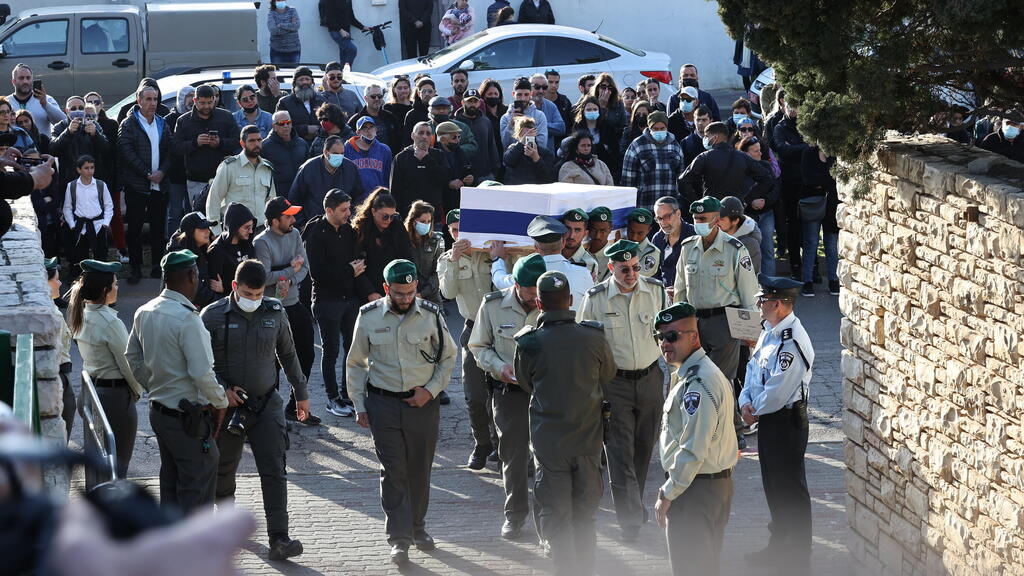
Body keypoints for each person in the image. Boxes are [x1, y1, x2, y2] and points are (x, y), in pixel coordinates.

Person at [347, 259, 456, 565]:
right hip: (383, 404)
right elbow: (355, 363)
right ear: (386, 289)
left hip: (422, 404)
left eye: (410, 292)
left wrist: (430, 391)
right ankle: (399, 539)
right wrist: (358, 404)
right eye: (399, 293)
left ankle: (418, 527)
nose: (406, 299)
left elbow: (448, 357)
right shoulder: (367, 317)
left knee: (419, 470)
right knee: (394, 471)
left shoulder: (431, 315)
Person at [201, 258, 309, 561]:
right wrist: (222, 388)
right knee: (223, 471)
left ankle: (280, 537)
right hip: (228, 407)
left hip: (266, 404)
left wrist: (300, 393)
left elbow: (288, 352)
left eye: (259, 294)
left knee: (274, 469)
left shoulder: (275, 311)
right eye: (248, 294)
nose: (253, 300)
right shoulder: (211, 316)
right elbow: (199, 362)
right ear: (235, 287)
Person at [514, 270, 615, 574]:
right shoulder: (594, 337)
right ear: (571, 301)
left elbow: (525, 382)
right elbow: (608, 374)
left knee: (556, 515)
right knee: (585, 515)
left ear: (540, 304)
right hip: (588, 439)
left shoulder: (530, 342)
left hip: (550, 442)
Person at [125, 250, 229, 513]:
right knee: (197, 485)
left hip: (161, 410)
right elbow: (202, 374)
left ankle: (170, 544)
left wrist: (157, 385)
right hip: (188, 416)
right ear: (192, 276)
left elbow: (132, 357)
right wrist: (221, 401)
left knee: (171, 482)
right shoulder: (187, 319)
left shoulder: (144, 311)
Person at [577, 240, 666, 541]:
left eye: (636, 268)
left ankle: (633, 503)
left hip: (651, 379)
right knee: (618, 452)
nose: (631, 274)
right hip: (614, 384)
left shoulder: (655, 291)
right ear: (611, 268)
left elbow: (667, 333)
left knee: (643, 448)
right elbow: (586, 345)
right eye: (625, 269)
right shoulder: (596, 298)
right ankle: (629, 519)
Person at [654, 302, 738, 576]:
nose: (665, 343)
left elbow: (693, 448)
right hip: (707, 487)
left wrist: (668, 492)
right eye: (660, 337)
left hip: (695, 491)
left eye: (672, 336)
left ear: (694, 337)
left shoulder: (698, 383)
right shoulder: (695, 373)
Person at [739, 275, 815, 576]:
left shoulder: (792, 341)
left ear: (779, 305)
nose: (758, 304)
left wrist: (753, 411)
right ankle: (779, 544)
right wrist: (745, 400)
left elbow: (779, 389)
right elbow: (753, 369)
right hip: (769, 419)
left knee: (789, 489)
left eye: (763, 300)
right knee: (774, 486)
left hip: (785, 421)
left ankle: (796, 554)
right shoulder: (770, 331)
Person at [467, 254, 543, 538]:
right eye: (529, 292)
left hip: (545, 392)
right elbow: (478, 346)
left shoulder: (552, 301)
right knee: (512, 455)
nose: (535, 298)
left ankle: (546, 519)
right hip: (508, 392)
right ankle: (515, 516)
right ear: (516, 285)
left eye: (539, 292)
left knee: (546, 456)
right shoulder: (493, 305)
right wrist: (499, 367)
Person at [67, 259, 142, 490]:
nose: (118, 288)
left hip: (92, 394)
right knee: (117, 468)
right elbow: (127, 363)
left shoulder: (80, 313)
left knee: (98, 466)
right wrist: (137, 391)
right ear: (104, 290)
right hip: (114, 398)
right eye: (115, 284)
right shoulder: (109, 321)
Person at [672, 196, 758, 381]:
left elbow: (748, 292)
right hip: (694, 323)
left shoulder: (734, 249)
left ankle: (726, 411)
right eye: (695, 218)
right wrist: (678, 324)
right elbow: (680, 290)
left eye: (702, 219)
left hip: (724, 322)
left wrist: (750, 332)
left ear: (716, 219)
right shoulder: (688, 248)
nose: (698, 223)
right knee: (694, 378)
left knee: (721, 381)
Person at [304, 189, 372, 417]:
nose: (348, 214)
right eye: (343, 210)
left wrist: (355, 267)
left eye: (349, 209)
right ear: (328, 210)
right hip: (327, 301)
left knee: (351, 351)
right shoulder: (315, 234)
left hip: (349, 299)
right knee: (331, 351)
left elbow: (356, 260)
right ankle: (332, 398)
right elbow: (319, 274)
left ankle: (347, 394)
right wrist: (349, 270)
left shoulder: (349, 231)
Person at [438, 209, 496, 468]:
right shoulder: (447, 259)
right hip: (473, 328)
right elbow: (448, 293)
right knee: (474, 394)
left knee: (502, 393)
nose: (459, 235)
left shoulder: (491, 253)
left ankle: (503, 444)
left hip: (501, 329)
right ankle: (482, 443)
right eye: (453, 230)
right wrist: (454, 259)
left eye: (462, 229)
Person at [253, 197, 318, 426]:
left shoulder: (295, 235)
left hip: (292, 303)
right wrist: (291, 269)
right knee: (274, 362)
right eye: (288, 216)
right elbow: (264, 276)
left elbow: (305, 268)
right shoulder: (261, 242)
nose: (293, 219)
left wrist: (289, 277)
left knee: (307, 353)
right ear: (274, 220)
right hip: (270, 308)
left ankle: (295, 406)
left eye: (293, 215)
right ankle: (273, 413)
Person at [118, 85, 171, 284]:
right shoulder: (129, 123)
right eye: (148, 99)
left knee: (158, 227)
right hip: (137, 185)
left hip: (159, 185)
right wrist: (148, 173)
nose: (152, 103)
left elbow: (169, 151)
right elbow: (126, 151)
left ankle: (158, 265)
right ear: (139, 101)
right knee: (135, 228)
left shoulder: (161, 123)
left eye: (155, 99)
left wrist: (162, 172)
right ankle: (135, 267)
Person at [489, 215, 593, 307]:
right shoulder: (583, 272)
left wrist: (497, 259)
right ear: (563, 243)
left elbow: (499, 280)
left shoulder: (528, 272)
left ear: (536, 247)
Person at [173, 85, 242, 208]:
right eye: (202, 103)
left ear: (214, 99)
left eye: (210, 102)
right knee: (199, 217)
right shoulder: (183, 121)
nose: (206, 106)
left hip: (223, 178)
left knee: (223, 217)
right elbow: (176, 147)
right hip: (196, 180)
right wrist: (195, 143)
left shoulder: (226, 117)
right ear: (195, 101)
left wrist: (220, 143)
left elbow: (237, 142)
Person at [677, 121, 773, 206]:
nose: (705, 139)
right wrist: (747, 199)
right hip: (735, 209)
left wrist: (697, 202)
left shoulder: (705, 157)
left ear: (715, 138)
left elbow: (682, 181)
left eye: (707, 136)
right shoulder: (743, 157)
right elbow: (767, 178)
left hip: (712, 209)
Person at [204, 125, 276, 234]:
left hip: (261, 230)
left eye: (259, 140)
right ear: (242, 143)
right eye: (251, 141)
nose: (256, 144)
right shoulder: (229, 166)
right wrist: (216, 231)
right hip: (235, 230)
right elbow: (214, 199)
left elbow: (271, 201)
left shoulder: (266, 168)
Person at [352, 188, 415, 298]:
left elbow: (406, 259)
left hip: (394, 288)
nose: (388, 220)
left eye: (392, 216)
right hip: (367, 287)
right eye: (385, 216)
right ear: (373, 211)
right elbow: (357, 266)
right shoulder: (361, 229)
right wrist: (369, 292)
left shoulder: (397, 228)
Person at [289, 135, 364, 226]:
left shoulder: (350, 168)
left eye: (342, 153)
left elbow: (359, 196)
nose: (339, 157)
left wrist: (352, 220)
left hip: (344, 226)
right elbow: (295, 198)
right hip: (315, 226)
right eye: (335, 153)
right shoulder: (308, 168)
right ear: (325, 152)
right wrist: (302, 225)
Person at [621, 111, 685, 212]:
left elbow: (680, 176)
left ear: (667, 128)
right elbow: (628, 179)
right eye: (655, 129)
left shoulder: (675, 146)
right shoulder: (637, 145)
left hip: (669, 208)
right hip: (645, 206)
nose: (659, 131)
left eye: (662, 128)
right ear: (650, 128)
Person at [799, 143, 840, 297]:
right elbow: (808, 178)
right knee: (810, 243)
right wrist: (828, 179)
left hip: (832, 205)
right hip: (813, 204)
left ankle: (833, 280)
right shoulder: (808, 153)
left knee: (831, 244)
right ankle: (807, 281)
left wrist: (820, 182)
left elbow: (838, 178)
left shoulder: (835, 154)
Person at [773, 101, 808, 280]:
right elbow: (782, 149)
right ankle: (796, 266)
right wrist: (805, 147)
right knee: (793, 226)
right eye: (789, 105)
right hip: (789, 184)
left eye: (796, 105)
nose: (793, 109)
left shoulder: (807, 124)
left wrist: (795, 148)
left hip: (807, 181)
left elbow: (812, 148)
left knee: (809, 227)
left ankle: (812, 267)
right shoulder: (780, 127)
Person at [738, 135, 779, 275]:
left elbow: (775, 189)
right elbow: (737, 191)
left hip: (766, 213)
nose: (760, 154)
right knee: (747, 251)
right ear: (745, 153)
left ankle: (770, 286)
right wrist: (750, 202)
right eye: (755, 151)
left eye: (760, 150)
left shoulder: (766, 166)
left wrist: (765, 201)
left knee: (767, 250)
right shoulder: (739, 170)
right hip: (747, 215)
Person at [63, 155, 113, 266]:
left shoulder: (101, 185)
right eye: (86, 168)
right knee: (79, 257)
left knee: (101, 256)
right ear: (78, 170)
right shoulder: (71, 186)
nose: (90, 171)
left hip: (98, 225)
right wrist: (72, 224)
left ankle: (101, 280)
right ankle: (80, 280)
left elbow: (109, 205)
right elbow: (67, 208)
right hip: (80, 226)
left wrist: (105, 223)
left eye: (92, 167)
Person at [51, 96, 110, 190]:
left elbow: (106, 149)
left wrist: (95, 134)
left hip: (92, 180)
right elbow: (53, 150)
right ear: (67, 110)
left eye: (81, 108)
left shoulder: (93, 125)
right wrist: (68, 132)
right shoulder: (60, 127)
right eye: (73, 108)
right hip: (69, 181)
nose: (77, 111)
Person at [390, 121, 450, 213]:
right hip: (408, 215)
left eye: (428, 133)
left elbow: (445, 180)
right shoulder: (401, 158)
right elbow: (394, 190)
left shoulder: (439, 155)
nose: (424, 136)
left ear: (432, 137)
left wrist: (427, 159)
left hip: (433, 215)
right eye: (421, 133)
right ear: (413, 135)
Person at [45, 258, 75, 441]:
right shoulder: (50, 313)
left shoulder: (50, 308)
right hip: (58, 375)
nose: (60, 283)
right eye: (56, 279)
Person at [166, 212, 220, 308]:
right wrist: (223, 299)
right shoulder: (180, 258)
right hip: (181, 313)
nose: (208, 231)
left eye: (208, 228)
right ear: (190, 232)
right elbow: (198, 293)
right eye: (203, 228)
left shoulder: (201, 248)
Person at [207, 203, 257, 299]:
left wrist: (225, 288)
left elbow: (254, 275)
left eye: (251, 227)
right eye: (247, 227)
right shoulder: (217, 250)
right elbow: (214, 289)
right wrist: (226, 290)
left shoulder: (247, 243)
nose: (251, 231)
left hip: (250, 298)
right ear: (234, 226)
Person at [164, 87, 196, 242]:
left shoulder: (197, 118)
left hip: (195, 174)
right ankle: (172, 246)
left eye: (193, 96)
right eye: (188, 96)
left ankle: (189, 245)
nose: (191, 99)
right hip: (176, 174)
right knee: (174, 214)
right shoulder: (169, 119)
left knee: (192, 214)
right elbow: (169, 147)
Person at [652, 196, 696, 294]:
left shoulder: (695, 235)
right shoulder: (657, 239)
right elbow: (653, 273)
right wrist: (662, 292)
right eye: (659, 218)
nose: (663, 222)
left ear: (678, 213)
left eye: (667, 216)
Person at [454, 89, 501, 181]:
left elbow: (492, 147)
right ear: (463, 102)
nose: (472, 104)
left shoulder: (486, 121)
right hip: (463, 177)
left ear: (479, 103)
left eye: (475, 101)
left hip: (485, 175)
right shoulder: (455, 123)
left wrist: (495, 171)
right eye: (469, 101)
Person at [7, 64, 64, 137]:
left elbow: (63, 123)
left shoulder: (47, 99)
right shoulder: (6, 103)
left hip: (42, 146)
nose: (25, 81)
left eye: (28, 78)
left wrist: (45, 105)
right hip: (14, 146)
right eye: (21, 78)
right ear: (13, 81)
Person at [261, 111, 310, 197]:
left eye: (288, 122)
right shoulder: (265, 147)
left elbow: (308, 170)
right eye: (281, 124)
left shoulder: (302, 144)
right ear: (274, 127)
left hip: (301, 194)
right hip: (278, 196)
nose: (286, 126)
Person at [502, 115, 557, 185]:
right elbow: (507, 162)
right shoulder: (513, 149)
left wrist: (537, 158)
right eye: (524, 134)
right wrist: (521, 143)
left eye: (530, 134)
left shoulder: (545, 153)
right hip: (516, 190)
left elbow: (549, 178)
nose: (527, 137)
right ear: (518, 135)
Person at [345, 116, 393, 194]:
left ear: (376, 129)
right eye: (364, 128)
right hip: (356, 199)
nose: (368, 130)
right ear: (358, 132)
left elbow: (387, 177)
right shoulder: (347, 148)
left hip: (378, 198)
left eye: (371, 127)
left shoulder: (384, 150)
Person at [276, 67, 325, 142]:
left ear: (312, 82)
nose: (305, 82)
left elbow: (330, 122)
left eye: (307, 79)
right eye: (301, 79)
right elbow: (280, 126)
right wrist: (306, 129)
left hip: (320, 144)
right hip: (294, 145)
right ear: (295, 83)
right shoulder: (285, 102)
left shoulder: (321, 100)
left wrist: (318, 129)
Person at [348, 84, 401, 152]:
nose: (377, 99)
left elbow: (398, 139)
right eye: (373, 96)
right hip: (363, 159)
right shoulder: (355, 120)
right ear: (365, 98)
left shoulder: (390, 117)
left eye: (380, 96)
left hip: (388, 158)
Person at [500, 77, 548, 149]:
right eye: (519, 95)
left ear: (531, 94)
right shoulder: (506, 118)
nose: (523, 98)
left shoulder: (540, 116)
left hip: (533, 158)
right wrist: (511, 124)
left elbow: (542, 145)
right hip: (513, 159)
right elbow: (505, 144)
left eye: (526, 94)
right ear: (513, 94)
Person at [719, 196, 762, 274]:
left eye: (721, 219)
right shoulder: (718, 231)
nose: (716, 222)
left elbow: (749, 277)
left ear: (735, 221)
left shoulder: (749, 244)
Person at [318, 0, 367, 67]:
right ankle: (346, 72)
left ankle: (342, 74)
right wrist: (340, 30)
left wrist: (363, 27)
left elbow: (351, 18)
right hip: (336, 31)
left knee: (344, 54)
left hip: (346, 31)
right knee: (352, 50)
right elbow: (329, 17)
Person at [529, 73, 566, 151]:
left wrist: (540, 125)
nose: (541, 91)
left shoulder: (551, 106)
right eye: (537, 87)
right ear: (529, 88)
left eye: (544, 87)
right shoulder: (524, 106)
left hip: (547, 156)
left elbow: (561, 128)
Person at [560, 208, 599, 279]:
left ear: (585, 233)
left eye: (577, 230)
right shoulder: (552, 255)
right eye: (568, 229)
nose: (571, 235)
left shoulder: (589, 264)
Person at [624, 208, 662, 278]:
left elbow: (634, 277)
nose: (634, 237)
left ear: (649, 230)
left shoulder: (652, 252)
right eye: (631, 231)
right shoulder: (621, 243)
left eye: (640, 233)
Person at [401, 77, 437, 148]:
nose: (427, 94)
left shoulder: (440, 110)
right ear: (418, 93)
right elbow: (407, 140)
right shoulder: (412, 114)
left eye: (430, 91)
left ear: (435, 92)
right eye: (424, 91)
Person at [584, 206, 614, 282]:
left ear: (610, 229)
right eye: (594, 230)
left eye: (603, 231)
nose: (597, 236)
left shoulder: (613, 259)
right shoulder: (582, 253)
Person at [267, 0, 301, 65]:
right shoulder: (271, 13)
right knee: (279, 74)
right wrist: (290, 27)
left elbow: (296, 26)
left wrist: (280, 25)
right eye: (278, 0)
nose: (281, 1)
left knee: (293, 73)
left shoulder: (292, 10)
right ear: (274, 1)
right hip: (277, 51)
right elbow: (273, 30)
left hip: (294, 50)